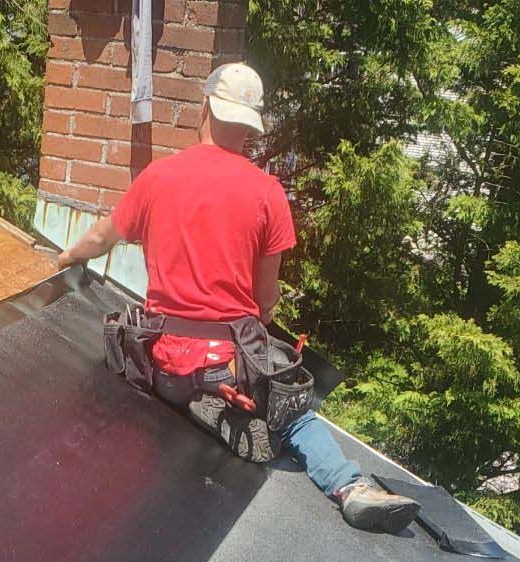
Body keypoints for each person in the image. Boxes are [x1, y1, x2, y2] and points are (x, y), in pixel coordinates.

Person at [52, 63, 419, 534]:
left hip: (161, 366)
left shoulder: (158, 177)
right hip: (226, 367)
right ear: (250, 125)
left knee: (191, 376)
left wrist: (62, 259)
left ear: (204, 106)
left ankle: (194, 401)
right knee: (296, 416)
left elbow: (101, 237)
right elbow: (265, 302)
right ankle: (351, 488)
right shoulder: (268, 194)